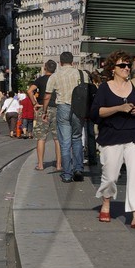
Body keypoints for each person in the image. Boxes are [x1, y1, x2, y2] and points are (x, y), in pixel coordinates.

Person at [91, 51, 135, 230]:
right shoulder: (104, 88)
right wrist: (119, 108)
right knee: (111, 176)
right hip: (111, 135)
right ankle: (106, 203)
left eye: (128, 65)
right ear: (113, 69)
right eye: (122, 66)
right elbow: (97, 112)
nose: (127, 68)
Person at [46, 51, 87, 183]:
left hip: (63, 107)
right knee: (77, 138)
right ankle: (78, 169)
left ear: (60, 62)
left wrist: (44, 110)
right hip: (79, 109)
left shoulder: (55, 76)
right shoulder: (82, 74)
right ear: (73, 62)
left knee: (65, 143)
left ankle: (67, 174)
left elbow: (47, 95)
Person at [32, 60, 60, 170]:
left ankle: (40, 165)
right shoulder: (57, 79)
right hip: (57, 109)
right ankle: (58, 165)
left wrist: (35, 103)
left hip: (43, 108)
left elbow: (30, 91)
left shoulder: (40, 80)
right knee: (58, 139)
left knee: (41, 138)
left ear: (45, 68)